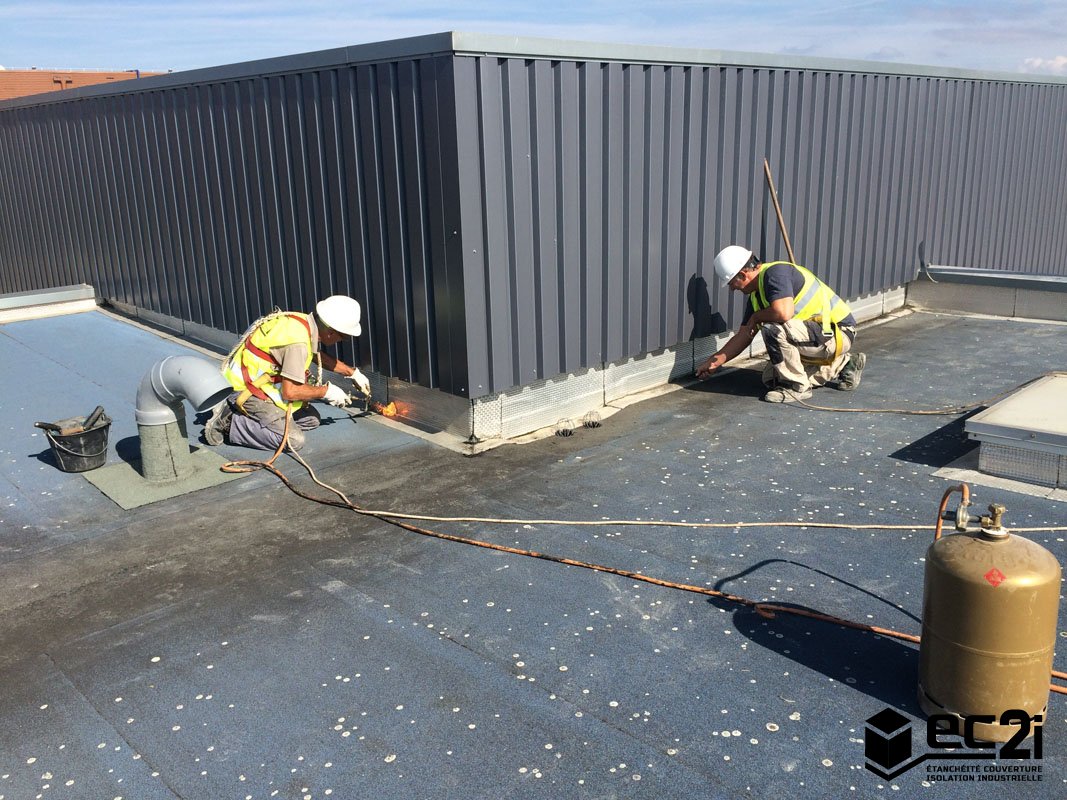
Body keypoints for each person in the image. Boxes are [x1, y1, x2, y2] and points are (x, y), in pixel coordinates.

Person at [695, 246, 865, 402]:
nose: (733, 289)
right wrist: (714, 362)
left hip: (837, 333)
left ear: (743, 274)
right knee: (772, 378)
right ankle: (843, 364)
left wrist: (756, 318)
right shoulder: (756, 296)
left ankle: (797, 387)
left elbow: (783, 313)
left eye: (732, 283)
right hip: (813, 339)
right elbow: (744, 335)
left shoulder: (776, 273)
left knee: (773, 329)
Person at [204, 295, 372, 451]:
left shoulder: (301, 322)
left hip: (261, 384)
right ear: (330, 332)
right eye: (344, 337)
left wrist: (351, 372)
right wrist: (325, 392)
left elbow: (313, 355)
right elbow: (290, 392)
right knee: (294, 440)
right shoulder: (297, 343)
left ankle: (264, 420)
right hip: (244, 389)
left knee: (311, 419)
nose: (343, 341)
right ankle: (228, 421)